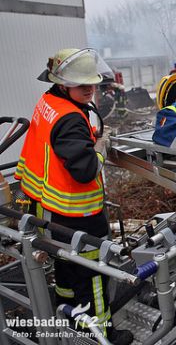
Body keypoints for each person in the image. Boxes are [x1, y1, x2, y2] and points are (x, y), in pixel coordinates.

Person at [14, 49, 133, 345]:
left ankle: (70, 321)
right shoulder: (70, 118)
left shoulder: (49, 102)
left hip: (46, 207)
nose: (90, 90)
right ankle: (100, 334)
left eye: (92, 84)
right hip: (77, 215)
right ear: (64, 83)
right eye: (83, 86)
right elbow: (85, 170)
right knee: (92, 274)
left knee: (66, 269)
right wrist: (99, 148)